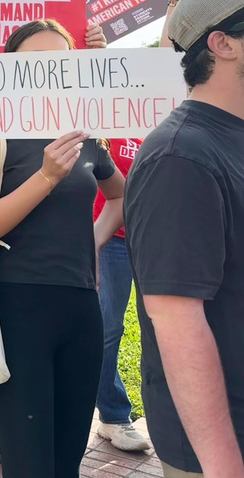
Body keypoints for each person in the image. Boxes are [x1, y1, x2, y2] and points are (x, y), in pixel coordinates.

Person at [0, 19, 125, 478]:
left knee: (67, 460)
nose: (51, 70)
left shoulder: (84, 136)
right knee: (30, 463)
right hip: (16, 307)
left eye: (61, 61)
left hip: (81, 308)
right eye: (36, 61)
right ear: (10, 70)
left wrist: (89, 241)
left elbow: (120, 197)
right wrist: (47, 176)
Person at [125, 0, 244, 478]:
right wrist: (222, 466)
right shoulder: (181, 156)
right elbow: (176, 321)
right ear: (223, 43)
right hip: (222, 446)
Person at [92, 136, 150, 452]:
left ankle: (171, 416)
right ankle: (113, 417)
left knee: (161, 328)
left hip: (151, 237)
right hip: (111, 240)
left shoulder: (153, 126)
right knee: (109, 330)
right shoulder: (103, 131)